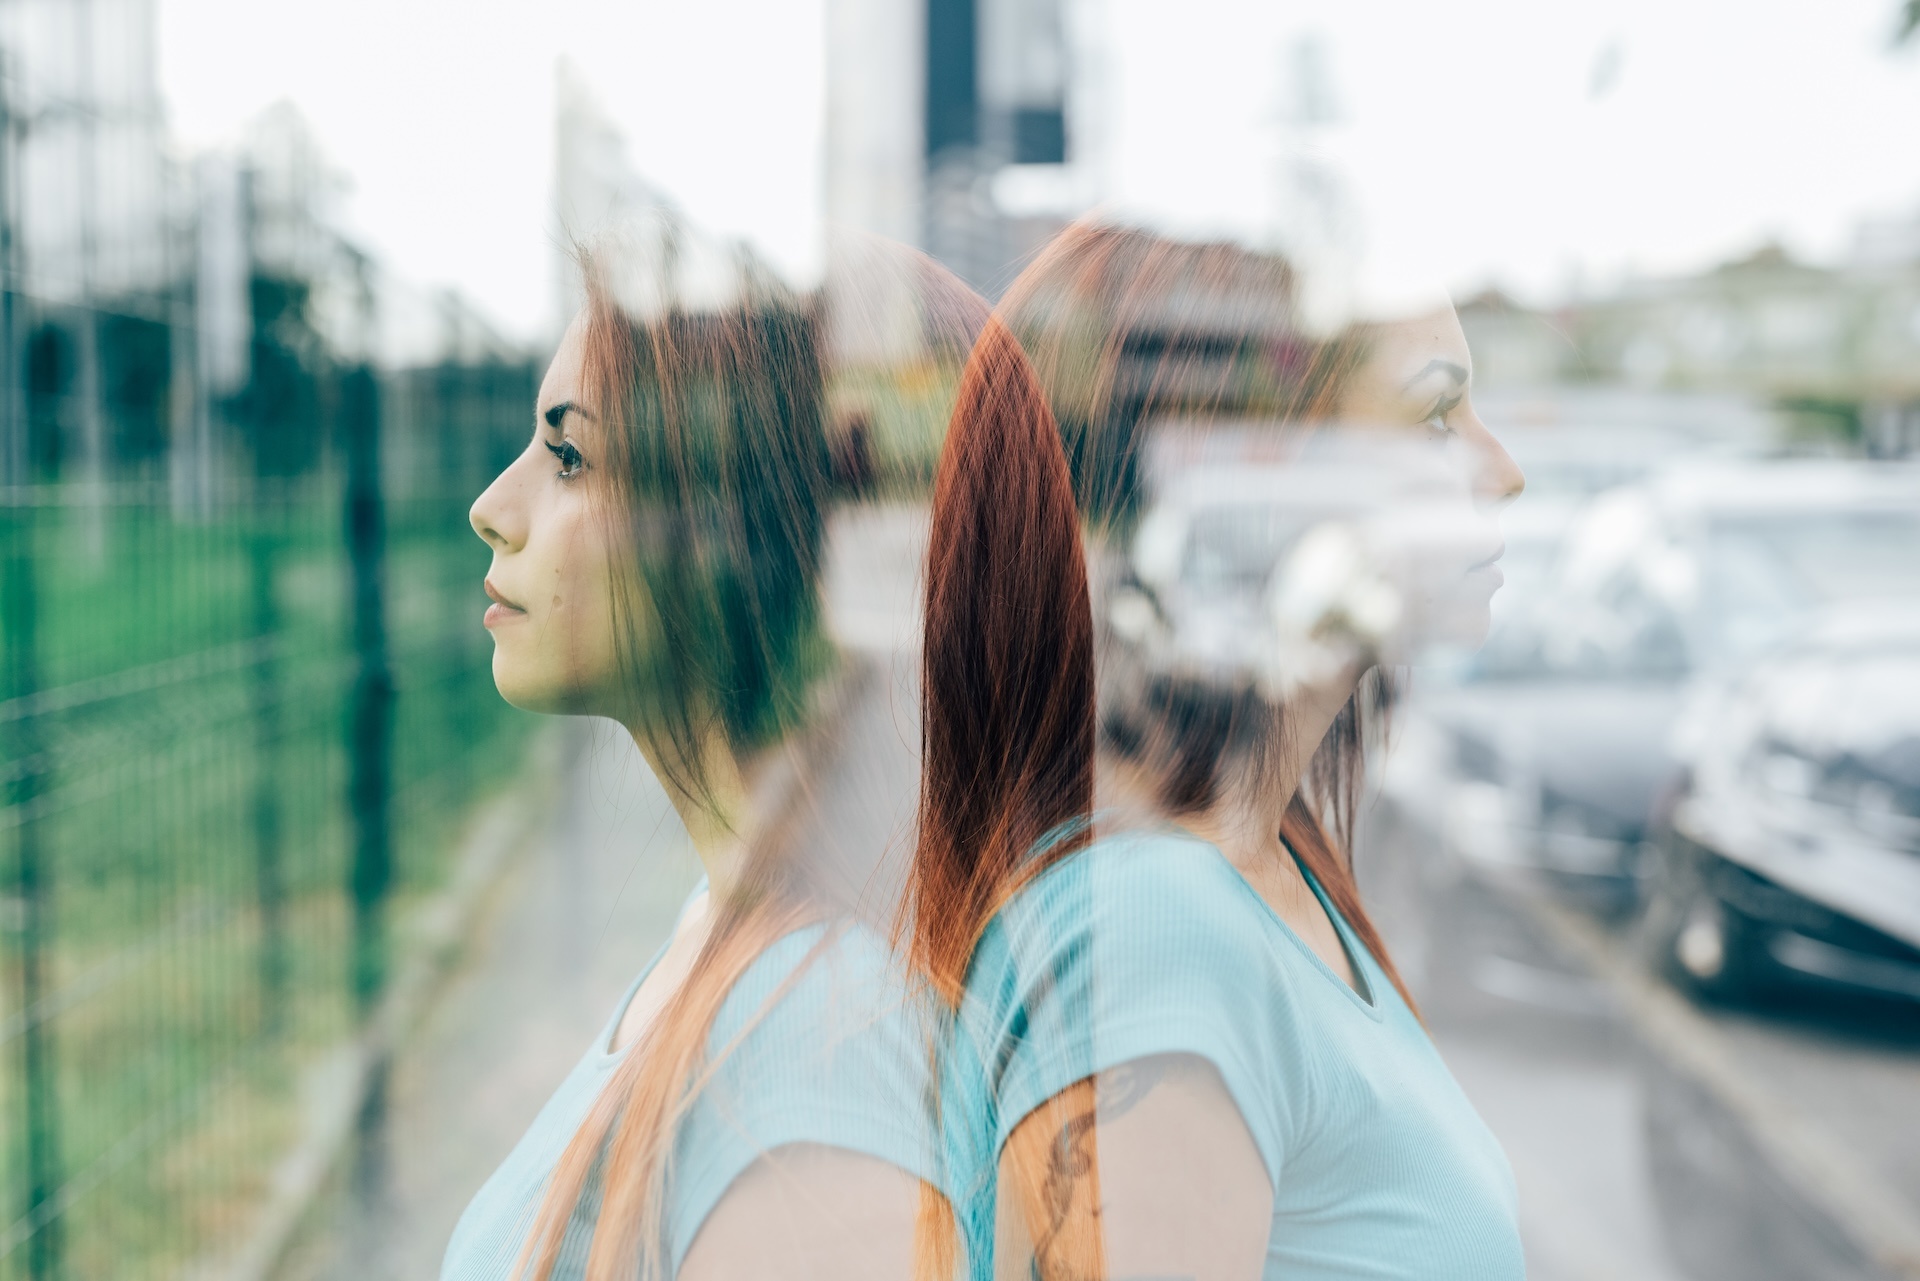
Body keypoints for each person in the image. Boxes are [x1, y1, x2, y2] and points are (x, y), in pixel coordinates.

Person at [908, 223, 1528, 1280]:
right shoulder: (1156, 934)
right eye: (1434, 415)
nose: (1501, 473)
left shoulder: (1261, 873)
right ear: (1263, 468)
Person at [448, 245, 953, 1281]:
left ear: (710, 529)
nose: (494, 507)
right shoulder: (736, 915)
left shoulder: (818, 1045)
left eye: (571, 459)